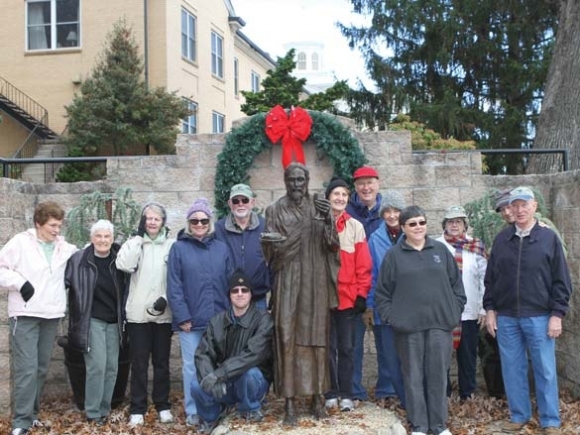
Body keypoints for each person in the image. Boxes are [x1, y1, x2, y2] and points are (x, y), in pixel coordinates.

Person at [483, 186, 572, 435]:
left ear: (535, 206)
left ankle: (550, 420)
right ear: (509, 208)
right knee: (512, 368)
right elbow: (490, 279)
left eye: (525, 204)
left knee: (544, 369)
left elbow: (561, 281)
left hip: (540, 316)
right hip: (508, 316)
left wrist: (557, 314)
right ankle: (519, 415)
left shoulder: (548, 238)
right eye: (515, 205)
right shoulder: (502, 240)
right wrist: (490, 309)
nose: (520, 209)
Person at [375, 206, 466, 435]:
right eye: (412, 224)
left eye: (422, 222)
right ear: (403, 228)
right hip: (409, 329)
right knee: (413, 377)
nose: (418, 227)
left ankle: (438, 425)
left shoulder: (441, 251)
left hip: (439, 326)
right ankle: (419, 426)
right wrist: (393, 318)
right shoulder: (394, 256)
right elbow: (382, 293)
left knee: (437, 377)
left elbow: (457, 287)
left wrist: (452, 313)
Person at [261, 162, 340, 426]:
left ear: (307, 181)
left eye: (300, 180)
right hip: (287, 280)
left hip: (314, 278)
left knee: (317, 338)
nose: (296, 184)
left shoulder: (318, 208)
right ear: (285, 182)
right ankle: (290, 404)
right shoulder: (273, 210)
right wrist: (272, 245)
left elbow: (332, 246)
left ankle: (318, 399)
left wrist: (329, 219)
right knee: (286, 336)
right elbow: (269, 254)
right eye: (292, 180)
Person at [0, 201, 77, 435]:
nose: (56, 230)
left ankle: (32, 415)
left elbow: (90, 253)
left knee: (41, 368)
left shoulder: (64, 247)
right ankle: (21, 422)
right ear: (38, 223)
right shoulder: (20, 243)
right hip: (24, 315)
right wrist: (20, 283)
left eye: (59, 226)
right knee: (26, 369)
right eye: (52, 225)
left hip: (50, 315)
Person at [167, 198, 233, 428]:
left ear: (209, 222)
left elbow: (230, 283)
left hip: (217, 320)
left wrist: (228, 315)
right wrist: (183, 316)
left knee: (216, 365)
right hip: (190, 323)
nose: (199, 224)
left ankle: (217, 406)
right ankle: (193, 410)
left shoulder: (221, 248)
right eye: (194, 220)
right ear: (188, 223)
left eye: (203, 220)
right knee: (191, 367)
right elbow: (174, 285)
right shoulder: (178, 248)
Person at [192, 269, 273, 434]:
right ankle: (210, 417)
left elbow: (253, 355)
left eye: (244, 290)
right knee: (197, 384)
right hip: (225, 384)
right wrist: (210, 377)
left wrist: (219, 374)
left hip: (252, 381)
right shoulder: (217, 321)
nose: (240, 294)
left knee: (250, 374)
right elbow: (203, 353)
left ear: (251, 294)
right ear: (229, 295)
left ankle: (249, 408)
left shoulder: (263, 319)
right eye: (235, 290)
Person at [115, 203, 175, 426]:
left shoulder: (172, 245)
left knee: (161, 362)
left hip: (163, 314)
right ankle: (138, 408)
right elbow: (124, 265)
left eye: (156, 219)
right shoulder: (134, 242)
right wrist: (137, 240)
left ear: (163, 222)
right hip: (138, 314)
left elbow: (177, 278)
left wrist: (166, 300)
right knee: (139, 362)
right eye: (148, 218)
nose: (152, 222)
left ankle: (163, 405)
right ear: (143, 221)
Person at [64, 219, 127, 425]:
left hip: (114, 322)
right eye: (98, 236)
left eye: (106, 236)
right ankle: (92, 412)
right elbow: (63, 283)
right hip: (91, 321)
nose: (102, 240)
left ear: (112, 238)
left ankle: (104, 409)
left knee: (112, 368)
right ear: (91, 239)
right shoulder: (79, 260)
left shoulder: (119, 259)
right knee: (97, 366)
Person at [323, 177, 372, 413]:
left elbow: (363, 265)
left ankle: (346, 394)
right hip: (323, 298)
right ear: (328, 197)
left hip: (347, 298)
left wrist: (362, 293)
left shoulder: (355, 226)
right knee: (326, 347)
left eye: (344, 194)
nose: (340, 198)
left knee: (346, 347)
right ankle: (330, 392)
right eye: (336, 194)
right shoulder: (318, 225)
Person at [345, 166, 390, 404]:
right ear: (355, 187)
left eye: (370, 182)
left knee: (387, 344)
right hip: (355, 289)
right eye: (361, 183)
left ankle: (387, 390)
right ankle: (354, 390)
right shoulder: (348, 213)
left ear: (378, 183)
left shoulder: (389, 212)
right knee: (353, 345)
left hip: (384, 289)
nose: (366, 187)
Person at [437, 205, 487, 400]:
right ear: (445, 225)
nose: (454, 225)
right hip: (442, 312)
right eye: (450, 221)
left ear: (465, 225)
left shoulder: (475, 246)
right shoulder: (436, 245)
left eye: (458, 221)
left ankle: (468, 393)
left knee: (467, 356)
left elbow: (485, 278)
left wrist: (483, 308)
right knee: (441, 356)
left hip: (469, 311)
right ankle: (444, 393)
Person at [366, 190, 407, 408]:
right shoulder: (375, 238)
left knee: (406, 351)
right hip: (384, 303)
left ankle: (406, 393)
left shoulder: (410, 234)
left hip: (408, 305)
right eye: (388, 211)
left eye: (396, 211)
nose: (392, 215)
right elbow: (372, 274)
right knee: (386, 350)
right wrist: (370, 305)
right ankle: (386, 390)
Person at [215, 183, 270, 310]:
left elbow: (274, 258)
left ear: (252, 202)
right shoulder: (218, 229)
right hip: (230, 297)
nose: (240, 204)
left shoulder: (266, 227)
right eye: (236, 201)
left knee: (259, 330)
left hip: (258, 297)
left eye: (244, 200)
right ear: (230, 204)